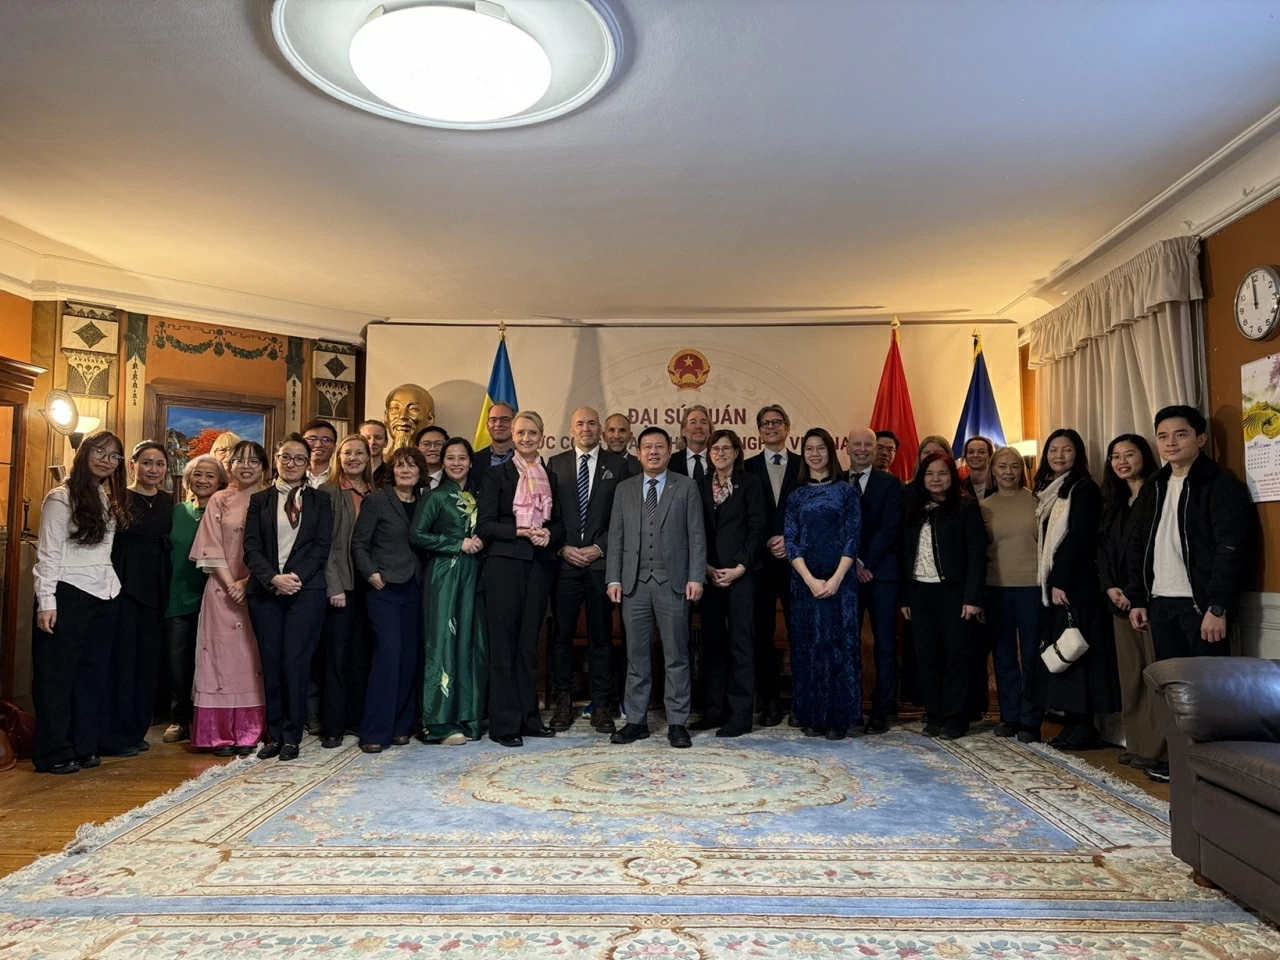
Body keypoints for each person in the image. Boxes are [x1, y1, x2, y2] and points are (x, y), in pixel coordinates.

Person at [1126, 406, 1256, 777]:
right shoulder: (1154, 486)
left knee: (1208, 691)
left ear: (1200, 439)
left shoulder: (1220, 484)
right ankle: (1180, 764)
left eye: (1180, 434)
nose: (1170, 442)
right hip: (1160, 603)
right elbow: (1138, 547)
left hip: (1201, 607)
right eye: (1163, 436)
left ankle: (1212, 768)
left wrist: (1218, 606)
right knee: (1173, 689)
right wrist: (1138, 598)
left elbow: (1231, 548)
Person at [31, 431, 130, 774]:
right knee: (57, 677)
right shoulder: (60, 497)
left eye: (114, 456)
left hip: (106, 593)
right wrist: (46, 600)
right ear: (85, 453)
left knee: (92, 675)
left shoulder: (105, 496)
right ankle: (53, 751)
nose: (106, 460)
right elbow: (48, 552)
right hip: (67, 592)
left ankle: (84, 745)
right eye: (100, 451)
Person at [606, 426, 705, 748]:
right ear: (638, 453)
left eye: (659, 446)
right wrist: (613, 578)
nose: (653, 452)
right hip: (633, 585)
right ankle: (636, 721)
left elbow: (696, 535)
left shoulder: (686, 486)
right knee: (636, 656)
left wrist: (696, 577)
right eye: (647, 447)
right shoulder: (624, 489)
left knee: (676, 655)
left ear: (669, 450)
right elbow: (616, 537)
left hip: (673, 584)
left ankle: (677, 723)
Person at [243, 434, 334, 761]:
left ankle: (293, 736)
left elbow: (321, 546)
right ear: (276, 459)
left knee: (295, 663)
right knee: (271, 662)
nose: (291, 463)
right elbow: (250, 548)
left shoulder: (321, 500)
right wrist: (273, 579)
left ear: (308, 462)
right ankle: (275, 735)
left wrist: (295, 578)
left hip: (305, 592)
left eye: (299, 458)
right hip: (265, 593)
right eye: (285, 457)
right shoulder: (260, 500)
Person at [479, 410, 564, 747]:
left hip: (539, 567)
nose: (526, 438)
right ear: (512, 437)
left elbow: (560, 524)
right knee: (504, 646)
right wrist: (521, 531)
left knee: (529, 645)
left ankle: (529, 718)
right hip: (504, 566)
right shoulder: (495, 475)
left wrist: (549, 534)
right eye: (521, 433)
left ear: (542, 436)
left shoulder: (550, 476)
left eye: (533, 433)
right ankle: (504, 724)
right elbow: (485, 525)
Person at [1033, 428, 1119, 751]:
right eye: (1053, 450)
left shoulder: (1084, 489)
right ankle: (1072, 725)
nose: (1059, 456)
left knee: (1079, 653)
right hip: (1060, 585)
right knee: (1065, 653)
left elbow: (1079, 538)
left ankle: (1084, 728)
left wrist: (1060, 580)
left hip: (1076, 586)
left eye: (1066, 450)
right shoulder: (1051, 492)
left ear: (1078, 454)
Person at [547, 407, 626, 732]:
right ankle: (563, 702)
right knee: (562, 636)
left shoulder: (618, 466)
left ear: (600, 429)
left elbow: (621, 517)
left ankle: (601, 705)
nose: (586, 428)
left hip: (600, 565)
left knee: (601, 637)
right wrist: (562, 547)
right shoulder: (555, 464)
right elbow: (548, 514)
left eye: (592, 423)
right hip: (564, 563)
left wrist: (598, 548)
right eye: (580, 423)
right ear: (571, 429)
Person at [190, 441, 269, 756]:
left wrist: (248, 582)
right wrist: (232, 583)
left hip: (260, 590)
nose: (246, 466)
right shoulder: (219, 499)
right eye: (239, 460)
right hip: (222, 591)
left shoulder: (272, 498)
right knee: (219, 659)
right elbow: (209, 545)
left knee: (253, 659)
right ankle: (219, 733)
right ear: (230, 465)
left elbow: (279, 548)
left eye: (253, 460)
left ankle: (251, 731)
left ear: (265, 466)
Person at [900, 453, 985, 739]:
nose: (936, 479)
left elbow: (976, 555)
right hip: (919, 592)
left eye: (942, 473)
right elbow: (904, 554)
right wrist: (905, 597)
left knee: (955, 657)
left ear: (953, 476)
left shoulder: (965, 507)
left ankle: (955, 718)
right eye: (930, 474)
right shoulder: (913, 508)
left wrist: (972, 598)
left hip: (955, 594)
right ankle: (934, 716)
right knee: (927, 657)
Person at [784, 428, 860, 740]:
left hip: (840, 582)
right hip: (805, 583)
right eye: (809, 449)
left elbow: (853, 537)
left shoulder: (846, 491)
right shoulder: (796, 495)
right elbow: (790, 541)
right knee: (808, 647)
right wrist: (810, 580)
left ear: (831, 451)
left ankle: (838, 718)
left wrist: (836, 579)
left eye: (820, 448)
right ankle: (812, 716)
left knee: (838, 647)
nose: (815, 454)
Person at [411, 437, 487, 744]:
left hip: (474, 574)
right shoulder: (435, 497)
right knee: (443, 641)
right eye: (451, 458)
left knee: (471, 642)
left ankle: (469, 718)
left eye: (462, 458)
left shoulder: (479, 495)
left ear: (471, 462)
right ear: (442, 462)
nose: (457, 463)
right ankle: (439, 723)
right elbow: (417, 535)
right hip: (444, 575)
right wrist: (457, 543)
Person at [351, 446, 426, 753]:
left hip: (415, 587)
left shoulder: (424, 501)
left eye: (412, 466)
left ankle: (400, 727)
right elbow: (358, 544)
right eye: (400, 466)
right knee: (388, 655)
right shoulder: (378, 501)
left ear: (420, 472)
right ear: (392, 471)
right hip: (384, 589)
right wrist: (370, 573)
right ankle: (374, 731)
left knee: (409, 657)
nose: (406, 471)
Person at [101, 441, 174, 756]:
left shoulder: (170, 502)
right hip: (123, 587)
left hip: (157, 589)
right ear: (132, 465)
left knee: (148, 663)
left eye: (159, 464)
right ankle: (114, 735)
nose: (153, 470)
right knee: (122, 661)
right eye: (146, 462)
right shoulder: (116, 498)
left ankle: (137, 731)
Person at [1098, 434, 1163, 772]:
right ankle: (1136, 743)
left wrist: (1137, 594)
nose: (1122, 462)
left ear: (1144, 456)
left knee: (1154, 674)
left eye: (1129, 454)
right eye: (1115, 456)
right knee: (1131, 675)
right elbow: (1104, 550)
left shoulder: (1157, 493)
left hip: (1148, 600)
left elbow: (1153, 553)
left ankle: (1158, 750)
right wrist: (1109, 586)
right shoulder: (1115, 501)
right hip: (1119, 601)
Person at [695, 428, 765, 736]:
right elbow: (694, 529)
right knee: (712, 645)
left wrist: (739, 567)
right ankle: (713, 711)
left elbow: (757, 528)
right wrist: (705, 566)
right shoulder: (699, 485)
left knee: (741, 645)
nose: (720, 453)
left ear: (737, 452)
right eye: (715, 449)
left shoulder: (750, 484)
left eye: (726, 448)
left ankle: (740, 716)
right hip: (709, 576)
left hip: (741, 576)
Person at [163, 454, 227, 745]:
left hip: (217, 598)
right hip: (179, 597)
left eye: (210, 475)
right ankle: (179, 720)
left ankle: (208, 721)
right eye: (197, 475)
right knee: (179, 663)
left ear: (221, 482)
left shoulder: (226, 511)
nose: (202, 480)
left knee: (213, 663)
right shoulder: (176, 511)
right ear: (188, 480)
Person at [980, 445, 1042, 742]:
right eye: (1002, 466)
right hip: (996, 589)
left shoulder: (1037, 502)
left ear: (1022, 470)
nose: (1008, 472)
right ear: (993, 471)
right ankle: (1010, 716)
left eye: (1014, 466)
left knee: (1031, 656)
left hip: (1032, 588)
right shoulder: (984, 506)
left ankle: (1031, 720)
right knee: (1004, 656)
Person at [743, 404, 798, 727]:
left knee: (798, 632)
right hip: (760, 564)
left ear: (787, 428)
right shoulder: (747, 467)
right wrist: (766, 540)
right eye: (765, 423)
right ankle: (770, 702)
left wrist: (790, 540)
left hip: (797, 563)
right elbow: (743, 515)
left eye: (777, 422)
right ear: (759, 431)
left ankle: (801, 700)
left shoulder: (804, 465)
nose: (771, 427)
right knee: (762, 634)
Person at [318, 435, 373, 749]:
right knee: (336, 658)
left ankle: (356, 718)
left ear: (368, 457)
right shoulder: (327, 492)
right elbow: (323, 544)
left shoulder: (375, 492)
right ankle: (333, 726)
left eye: (359, 453)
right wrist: (334, 585)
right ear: (338, 458)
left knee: (362, 655)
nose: (353, 458)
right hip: (342, 587)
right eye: (347, 453)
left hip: (371, 586)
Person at [846, 426, 902, 733]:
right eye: (857, 444)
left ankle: (882, 709)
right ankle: (850, 706)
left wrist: (864, 561)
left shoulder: (891, 483)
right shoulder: (837, 480)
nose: (863, 449)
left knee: (885, 646)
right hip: (845, 576)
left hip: (882, 574)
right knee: (848, 643)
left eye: (868, 445)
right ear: (847, 447)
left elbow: (891, 527)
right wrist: (852, 562)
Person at [469, 401, 516, 490]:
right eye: (493, 420)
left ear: (515, 425)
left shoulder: (526, 458)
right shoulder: (475, 460)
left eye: (505, 420)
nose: (498, 424)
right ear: (487, 426)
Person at [670, 406, 712, 480]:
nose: (698, 426)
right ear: (683, 431)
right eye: (693, 422)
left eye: (703, 422)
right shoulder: (671, 462)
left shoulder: (719, 459)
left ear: (710, 431)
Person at [302, 418, 338, 488]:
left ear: (334, 448)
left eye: (326, 440)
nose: (318, 445)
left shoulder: (341, 479)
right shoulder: (292, 476)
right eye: (312, 439)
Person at [604, 413, 642, 478]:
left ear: (630, 437)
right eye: (612, 430)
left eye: (622, 431)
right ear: (604, 436)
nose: (617, 436)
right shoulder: (594, 463)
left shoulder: (641, 466)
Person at [359, 419, 391, 487]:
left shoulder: (392, 474)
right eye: (367, 438)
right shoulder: (351, 472)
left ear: (386, 442)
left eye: (378, 438)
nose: (372, 442)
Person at [415, 425, 448, 490]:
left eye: (438, 444)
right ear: (417, 448)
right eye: (426, 444)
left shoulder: (455, 479)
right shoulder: (408, 477)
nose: (432, 449)